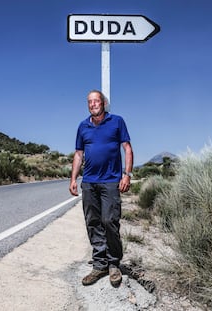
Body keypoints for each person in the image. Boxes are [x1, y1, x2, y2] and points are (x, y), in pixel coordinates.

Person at [69, 90, 134, 287]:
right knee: (93, 222)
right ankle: (99, 264)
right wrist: (73, 179)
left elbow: (127, 148)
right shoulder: (83, 126)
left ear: (104, 103)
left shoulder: (117, 121)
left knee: (109, 221)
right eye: (90, 102)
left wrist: (127, 174)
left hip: (111, 181)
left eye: (96, 101)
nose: (93, 104)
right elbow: (79, 154)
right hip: (89, 181)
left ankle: (114, 263)